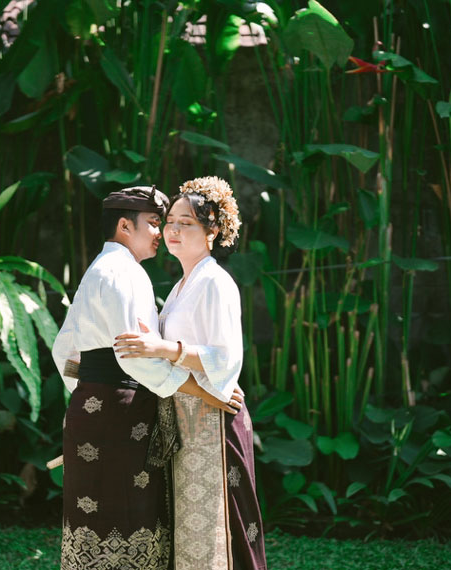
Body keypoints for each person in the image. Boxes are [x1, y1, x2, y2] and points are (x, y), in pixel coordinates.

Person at [52, 185, 242, 570]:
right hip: (123, 408)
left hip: (92, 406)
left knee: (92, 520)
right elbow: (137, 359)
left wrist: (87, 393)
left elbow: (64, 351)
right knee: (126, 519)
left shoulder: (100, 269)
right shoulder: (127, 272)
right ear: (125, 226)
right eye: (157, 222)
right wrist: (200, 390)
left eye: (175, 222)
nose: (163, 232)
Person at [114, 176, 267, 570]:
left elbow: (226, 356)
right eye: (169, 222)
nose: (173, 231)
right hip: (185, 414)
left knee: (217, 529)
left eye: (187, 223)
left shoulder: (215, 282)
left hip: (213, 414)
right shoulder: (184, 284)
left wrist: (161, 348)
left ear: (212, 232)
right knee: (190, 531)